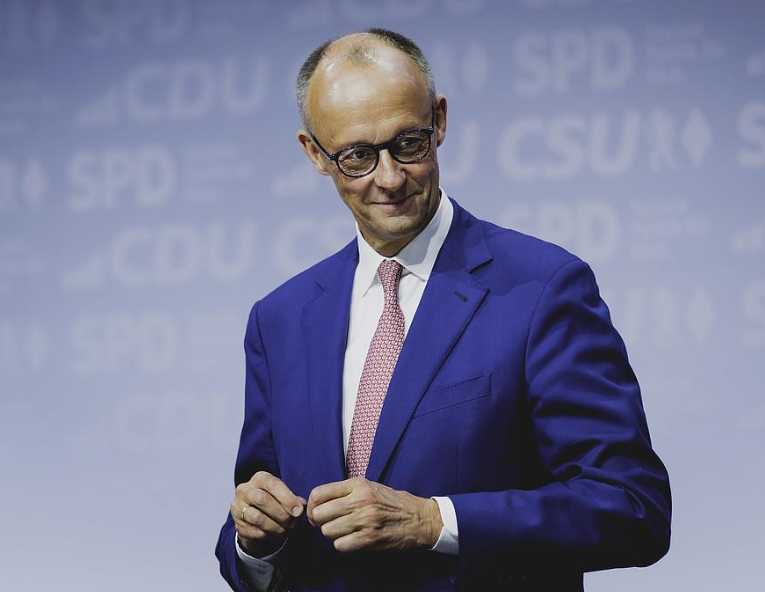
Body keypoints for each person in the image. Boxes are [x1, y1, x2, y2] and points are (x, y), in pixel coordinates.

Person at [215, 28, 671, 592]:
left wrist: (435, 523)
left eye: (409, 143)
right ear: (315, 154)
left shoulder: (541, 290)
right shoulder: (280, 320)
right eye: (357, 156)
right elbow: (248, 530)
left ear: (440, 121)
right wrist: (253, 543)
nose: (389, 178)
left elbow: (632, 507)